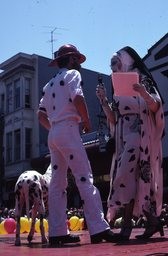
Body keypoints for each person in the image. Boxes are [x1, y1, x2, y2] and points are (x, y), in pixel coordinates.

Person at [37, 44, 116, 245]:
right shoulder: (72, 75)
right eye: (77, 60)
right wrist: (86, 121)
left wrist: (54, 129)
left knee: (57, 183)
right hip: (68, 130)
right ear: (72, 60)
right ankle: (98, 228)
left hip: (54, 133)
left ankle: (57, 232)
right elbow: (78, 97)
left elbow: (40, 114)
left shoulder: (49, 85)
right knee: (84, 177)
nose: (78, 64)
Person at [96, 46, 165, 241]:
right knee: (133, 180)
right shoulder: (117, 85)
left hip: (139, 135)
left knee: (124, 176)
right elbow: (114, 118)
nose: (113, 67)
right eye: (111, 64)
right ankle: (152, 221)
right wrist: (103, 101)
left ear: (126, 60)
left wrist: (143, 92)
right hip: (124, 138)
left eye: (116, 62)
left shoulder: (141, 78)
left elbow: (156, 105)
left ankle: (127, 225)